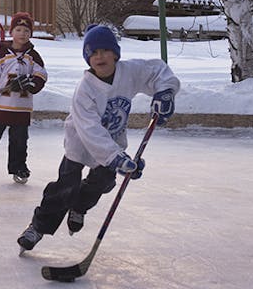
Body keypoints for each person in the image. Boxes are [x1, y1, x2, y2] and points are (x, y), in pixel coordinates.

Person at [17, 24, 180, 251]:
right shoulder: (85, 90)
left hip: (112, 142)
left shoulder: (129, 72)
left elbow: (157, 71)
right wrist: (117, 158)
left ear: (115, 53)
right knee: (66, 187)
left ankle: (79, 208)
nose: (99, 56)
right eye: (92, 53)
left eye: (104, 50)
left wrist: (165, 92)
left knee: (103, 182)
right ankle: (38, 227)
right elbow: (90, 131)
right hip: (80, 143)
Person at [0, 11, 48, 184]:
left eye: (26, 31)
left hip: (22, 109)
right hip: (0, 107)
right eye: (19, 29)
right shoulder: (1, 55)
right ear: (11, 32)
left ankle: (18, 167)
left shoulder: (33, 57)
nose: (22, 34)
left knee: (19, 141)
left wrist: (31, 83)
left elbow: (41, 75)